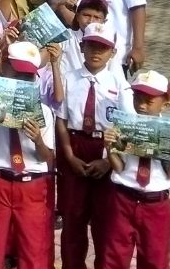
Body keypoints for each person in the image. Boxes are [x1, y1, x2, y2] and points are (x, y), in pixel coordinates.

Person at [0, 41, 56, 269]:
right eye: (17, 73)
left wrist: (37, 139)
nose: (22, 80)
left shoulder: (44, 112)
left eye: (28, 76)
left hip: (31, 184)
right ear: (5, 67)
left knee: (33, 248)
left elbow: (46, 157)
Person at [55, 23, 127, 269]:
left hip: (106, 149)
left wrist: (108, 161)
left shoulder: (121, 87)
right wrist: (69, 155)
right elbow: (61, 120)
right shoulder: (68, 78)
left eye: (103, 48)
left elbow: (126, 130)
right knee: (73, 219)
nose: (96, 52)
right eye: (91, 45)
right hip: (75, 146)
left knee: (105, 223)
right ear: (81, 46)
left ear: (113, 52)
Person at [100, 70, 170, 269]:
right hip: (124, 197)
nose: (141, 105)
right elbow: (120, 168)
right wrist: (109, 147)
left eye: (149, 101)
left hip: (156, 203)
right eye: (137, 98)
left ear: (165, 103)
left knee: (154, 259)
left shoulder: (168, 131)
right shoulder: (124, 126)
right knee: (113, 256)